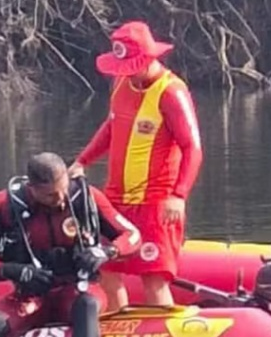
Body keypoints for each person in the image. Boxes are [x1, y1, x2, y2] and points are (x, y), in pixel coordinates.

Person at [0, 152, 142, 337]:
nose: (60, 199)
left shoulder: (87, 198)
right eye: (50, 195)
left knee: (86, 305)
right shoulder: (3, 206)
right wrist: (13, 270)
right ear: (33, 188)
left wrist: (107, 251)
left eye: (62, 189)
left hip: (77, 290)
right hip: (29, 296)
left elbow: (133, 235)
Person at [68, 20, 203, 312]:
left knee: (154, 277)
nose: (125, 72)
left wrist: (178, 195)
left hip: (156, 200)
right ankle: (118, 329)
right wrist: (82, 161)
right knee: (106, 267)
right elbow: (112, 126)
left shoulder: (171, 92)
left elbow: (193, 147)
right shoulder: (121, 82)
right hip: (115, 198)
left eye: (131, 65)